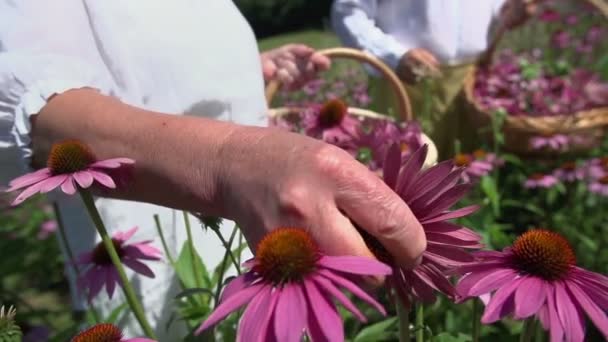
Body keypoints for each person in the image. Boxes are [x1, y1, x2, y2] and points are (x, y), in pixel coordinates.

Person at [0, 0, 427, 339]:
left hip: (255, 234)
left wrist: (254, 67)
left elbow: (168, 71)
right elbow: (35, 105)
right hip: (143, 237)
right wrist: (231, 159)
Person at [331, 0, 535, 158]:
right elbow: (348, 11)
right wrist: (393, 55)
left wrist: (507, 9)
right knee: (400, 176)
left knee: (465, 178)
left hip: (470, 83)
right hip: (404, 81)